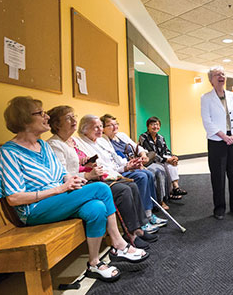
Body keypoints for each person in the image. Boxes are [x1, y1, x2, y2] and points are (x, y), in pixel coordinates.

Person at [0, 96, 148, 283]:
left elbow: (62, 173)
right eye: (41, 113)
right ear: (24, 119)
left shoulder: (42, 145)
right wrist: (60, 189)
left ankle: (94, 263)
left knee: (97, 207)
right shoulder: (9, 152)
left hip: (58, 201)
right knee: (100, 188)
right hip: (35, 209)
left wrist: (71, 179)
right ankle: (119, 243)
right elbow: (14, 198)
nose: (46, 117)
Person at [46, 106, 159, 249]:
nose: (74, 119)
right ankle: (131, 234)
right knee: (123, 190)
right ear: (56, 124)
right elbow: (63, 175)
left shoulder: (72, 141)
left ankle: (138, 228)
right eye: (69, 117)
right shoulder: (54, 144)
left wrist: (87, 164)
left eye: (74, 115)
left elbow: (78, 163)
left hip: (91, 178)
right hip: (79, 185)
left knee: (131, 185)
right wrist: (87, 174)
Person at [74, 115, 167, 229]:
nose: (100, 130)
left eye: (101, 126)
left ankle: (149, 213)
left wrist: (130, 164)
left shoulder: (102, 140)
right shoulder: (85, 144)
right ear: (85, 129)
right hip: (111, 174)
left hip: (120, 168)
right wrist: (126, 167)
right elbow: (105, 167)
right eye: (96, 127)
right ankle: (144, 217)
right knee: (142, 176)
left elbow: (116, 158)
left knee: (148, 173)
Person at [200, 66, 233, 220]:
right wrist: (224, 136)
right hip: (217, 142)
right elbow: (207, 121)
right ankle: (219, 208)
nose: (221, 76)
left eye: (223, 74)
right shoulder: (205, 98)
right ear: (211, 80)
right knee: (218, 177)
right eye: (217, 74)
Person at [138, 116, 187, 205]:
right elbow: (151, 153)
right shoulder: (143, 137)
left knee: (173, 164)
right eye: (152, 124)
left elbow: (166, 150)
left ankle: (175, 188)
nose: (155, 127)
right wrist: (166, 160)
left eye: (157, 124)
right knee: (163, 167)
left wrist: (172, 157)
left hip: (161, 158)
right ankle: (164, 197)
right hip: (150, 160)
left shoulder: (161, 137)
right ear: (148, 126)